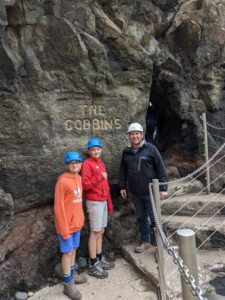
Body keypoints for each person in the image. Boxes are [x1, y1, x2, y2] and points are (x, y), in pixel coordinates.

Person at [118, 123, 168, 253]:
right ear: (129, 136)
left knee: (154, 218)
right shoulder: (126, 152)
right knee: (141, 217)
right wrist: (122, 186)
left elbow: (160, 168)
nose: (135, 136)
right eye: (132, 134)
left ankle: (161, 243)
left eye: (137, 133)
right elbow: (122, 170)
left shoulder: (151, 149)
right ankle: (146, 241)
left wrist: (163, 187)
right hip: (135, 192)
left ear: (142, 135)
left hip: (150, 192)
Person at [54, 151, 87, 300]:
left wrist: (81, 218)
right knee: (67, 253)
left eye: (77, 162)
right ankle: (68, 283)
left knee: (73, 250)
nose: (75, 165)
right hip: (66, 225)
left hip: (76, 224)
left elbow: (78, 202)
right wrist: (63, 228)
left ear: (81, 165)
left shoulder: (79, 178)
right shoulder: (62, 181)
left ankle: (72, 276)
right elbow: (58, 207)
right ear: (67, 164)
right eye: (72, 162)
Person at [82, 137, 114, 279]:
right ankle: (93, 263)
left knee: (101, 231)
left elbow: (105, 186)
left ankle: (100, 258)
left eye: (98, 149)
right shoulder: (87, 163)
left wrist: (110, 203)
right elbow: (85, 185)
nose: (96, 151)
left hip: (102, 200)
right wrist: (99, 178)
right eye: (93, 149)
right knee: (94, 232)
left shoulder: (101, 163)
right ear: (89, 151)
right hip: (94, 201)